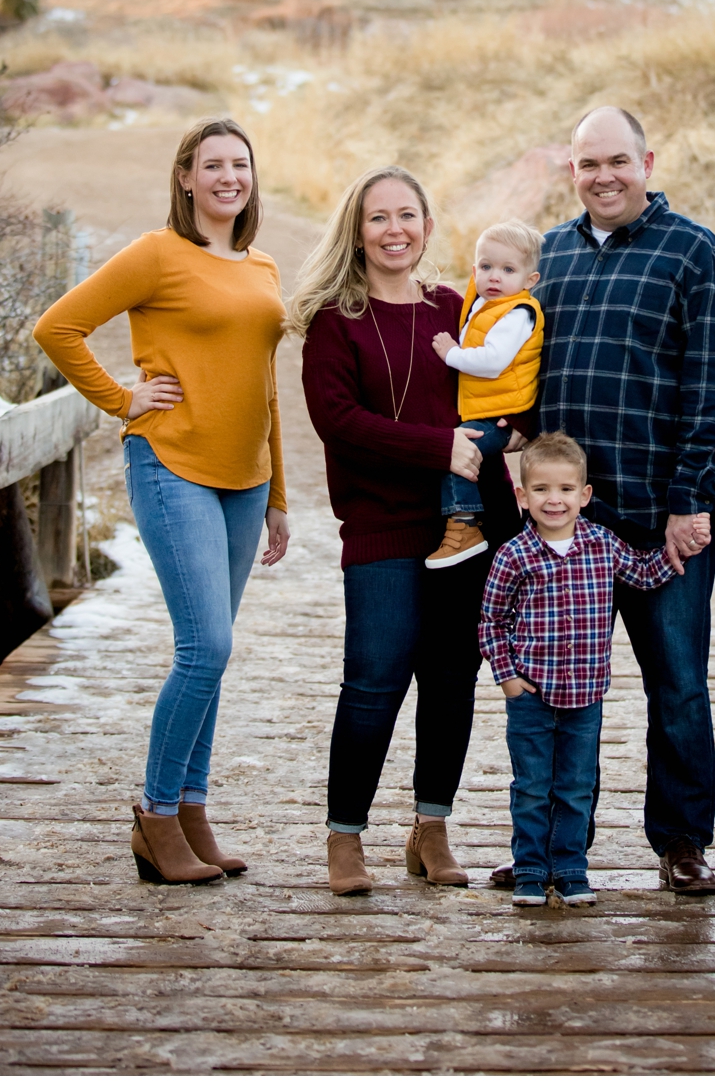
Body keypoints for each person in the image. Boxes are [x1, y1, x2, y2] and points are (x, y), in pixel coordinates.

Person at [33, 116, 291, 885]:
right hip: (170, 463)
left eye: (238, 164)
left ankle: (192, 810)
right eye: (211, 165)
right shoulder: (156, 253)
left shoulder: (263, 264)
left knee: (211, 656)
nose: (227, 177)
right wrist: (123, 397)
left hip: (244, 481)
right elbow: (58, 326)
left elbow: (266, 385)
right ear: (185, 177)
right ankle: (154, 814)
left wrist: (279, 491)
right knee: (205, 646)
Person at [513, 105, 715, 896]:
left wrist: (691, 499)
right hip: (561, 526)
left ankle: (681, 841)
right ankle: (547, 844)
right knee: (553, 691)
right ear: (571, 171)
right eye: (588, 164)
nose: (604, 176)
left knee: (676, 683)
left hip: (659, 521)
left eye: (618, 160)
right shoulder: (546, 255)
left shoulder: (696, 253)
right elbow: (519, 372)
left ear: (648, 160)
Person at [295, 166, 522, 895]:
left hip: (465, 528)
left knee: (454, 683)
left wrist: (506, 437)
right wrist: (438, 446)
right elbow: (337, 419)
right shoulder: (337, 320)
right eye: (378, 217)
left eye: (408, 215)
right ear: (356, 232)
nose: (396, 229)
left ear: (427, 225)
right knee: (374, 680)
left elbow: (500, 390)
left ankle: (431, 828)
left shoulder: (456, 307)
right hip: (381, 528)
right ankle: (345, 839)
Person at [479, 432, 680, 906]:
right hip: (530, 694)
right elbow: (491, 619)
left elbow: (644, 574)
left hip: (586, 698)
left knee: (575, 787)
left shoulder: (602, 545)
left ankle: (570, 869)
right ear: (522, 496)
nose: (555, 500)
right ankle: (530, 870)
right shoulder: (514, 555)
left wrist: (679, 551)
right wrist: (507, 677)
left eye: (566, 490)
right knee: (531, 787)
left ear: (584, 496)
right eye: (543, 490)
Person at [424, 221, 545, 570]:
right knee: (461, 451)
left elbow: (493, 362)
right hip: (487, 407)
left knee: (459, 452)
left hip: (502, 414)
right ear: (474, 270)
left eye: (508, 269)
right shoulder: (483, 304)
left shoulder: (517, 314)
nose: (495, 276)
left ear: (529, 281)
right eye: (487, 267)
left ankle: (464, 525)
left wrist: (451, 354)